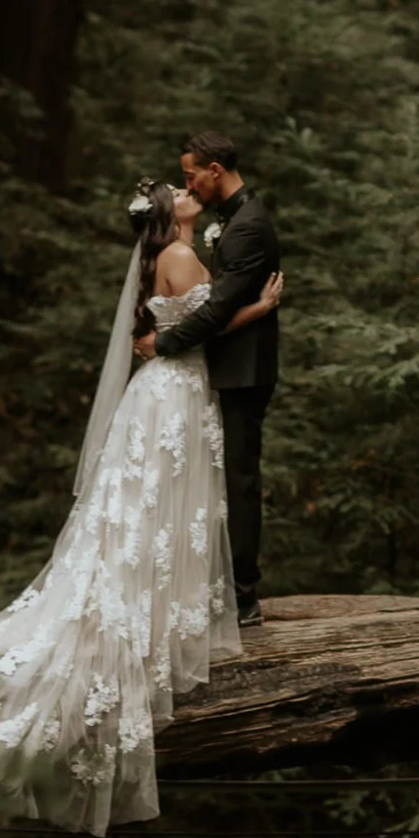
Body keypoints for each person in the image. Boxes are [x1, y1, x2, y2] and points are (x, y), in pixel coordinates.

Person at [0, 178, 283, 835]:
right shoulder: (182, 257)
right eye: (178, 190)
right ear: (170, 213)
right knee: (160, 514)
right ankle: (151, 619)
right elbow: (204, 326)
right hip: (175, 394)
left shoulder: (160, 257)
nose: (188, 188)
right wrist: (262, 306)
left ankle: (149, 608)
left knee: (144, 517)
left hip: (160, 394)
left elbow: (169, 324)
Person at [133, 131, 281, 627]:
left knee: (236, 481)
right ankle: (219, 590)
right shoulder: (224, 226)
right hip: (206, 372)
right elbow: (213, 307)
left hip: (237, 372)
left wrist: (164, 342)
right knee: (210, 481)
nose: (188, 185)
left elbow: (216, 309)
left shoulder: (246, 227)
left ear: (214, 170)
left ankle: (241, 595)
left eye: (191, 174)